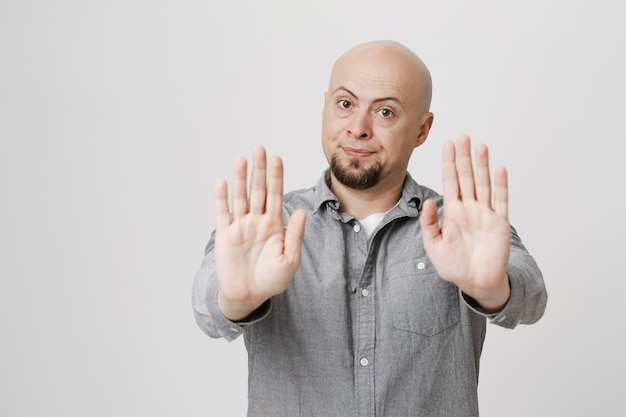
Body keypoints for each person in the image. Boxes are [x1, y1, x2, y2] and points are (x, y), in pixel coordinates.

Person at [192, 40, 547, 417]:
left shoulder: (462, 226)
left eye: (385, 112)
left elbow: (531, 297)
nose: (358, 128)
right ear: (326, 107)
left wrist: (490, 288)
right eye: (345, 104)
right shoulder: (264, 225)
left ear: (422, 130)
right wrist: (236, 299)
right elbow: (207, 305)